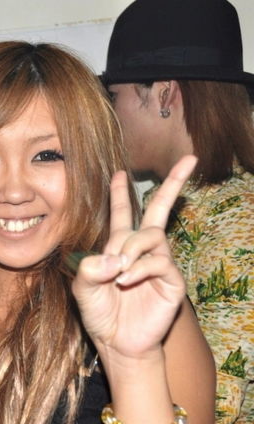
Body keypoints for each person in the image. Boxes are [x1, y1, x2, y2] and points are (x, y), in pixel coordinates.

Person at [0, 41, 215, 424]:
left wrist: (133, 364)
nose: (15, 192)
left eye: (47, 156)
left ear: (90, 166)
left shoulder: (140, 307)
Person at [101, 0, 254, 421]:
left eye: (115, 97)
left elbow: (217, 405)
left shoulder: (239, 219)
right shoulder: (165, 206)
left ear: (164, 94)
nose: (111, 117)